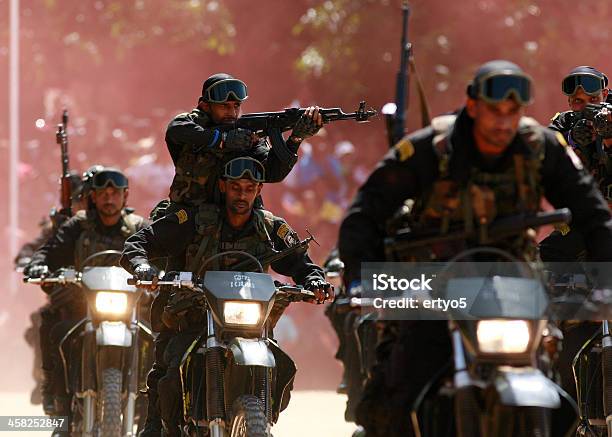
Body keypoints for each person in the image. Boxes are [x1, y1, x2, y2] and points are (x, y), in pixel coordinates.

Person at [338, 60, 612, 436]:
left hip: (515, 285)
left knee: (562, 400)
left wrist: (606, 279)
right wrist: (359, 280)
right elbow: (365, 213)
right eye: (494, 112)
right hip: (438, 287)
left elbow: (593, 214)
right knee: (395, 400)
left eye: (512, 112)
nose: (503, 122)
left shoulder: (539, 145)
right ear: (473, 106)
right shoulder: (431, 148)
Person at [121, 157, 332, 436]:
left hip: (250, 322)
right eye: (236, 187)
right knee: (169, 366)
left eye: (249, 188)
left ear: (258, 191)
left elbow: (300, 263)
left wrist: (315, 280)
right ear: (223, 186)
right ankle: (157, 426)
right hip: (195, 316)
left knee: (280, 362)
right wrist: (143, 266)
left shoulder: (269, 227)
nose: (242, 194)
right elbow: (139, 243)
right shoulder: (195, 220)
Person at [23, 167, 148, 420]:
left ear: (126, 196)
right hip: (83, 307)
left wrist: (156, 271)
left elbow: (159, 253)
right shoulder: (77, 226)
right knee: (56, 331)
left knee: (153, 338)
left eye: (115, 194)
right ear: (93, 196)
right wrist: (39, 265)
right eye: (103, 193)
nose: (109, 199)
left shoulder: (138, 227)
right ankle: (57, 397)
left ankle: (148, 404)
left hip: (129, 309)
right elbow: (50, 250)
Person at [157, 72, 323, 213]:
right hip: (188, 216)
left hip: (234, 219)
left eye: (236, 106)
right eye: (224, 106)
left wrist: (295, 139)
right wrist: (223, 141)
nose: (232, 112)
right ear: (205, 106)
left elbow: (273, 173)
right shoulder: (189, 125)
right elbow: (175, 129)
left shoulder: (246, 137)